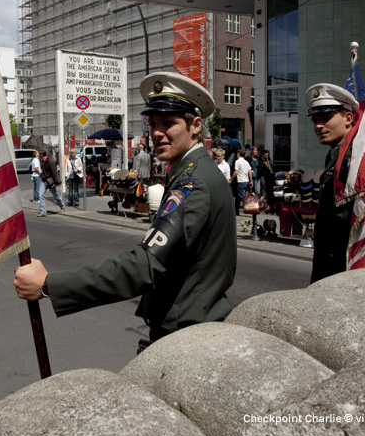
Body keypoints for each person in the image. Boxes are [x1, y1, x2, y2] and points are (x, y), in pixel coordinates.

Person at [14, 72, 236, 352]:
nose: (157, 132)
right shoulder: (194, 172)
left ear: (195, 125)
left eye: (169, 123)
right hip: (193, 326)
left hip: (185, 336)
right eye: (153, 123)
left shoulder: (194, 182)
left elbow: (144, 265)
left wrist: (50, 286)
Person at [306, 83, 359, 283]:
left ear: (348, 118)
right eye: (315, 120)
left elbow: (343, 223)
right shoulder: (336, 155)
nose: (318, 126)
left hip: (338, 268)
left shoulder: (352, 159)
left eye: (326, 118)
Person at [37, 149, 66, 216]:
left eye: (39, 154)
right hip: (44, 180)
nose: (38, 155)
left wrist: (56, 183)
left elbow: (54, 172)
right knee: (41, 195)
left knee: (55, 194)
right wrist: (42, 175)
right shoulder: (42, 161)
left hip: (50, 181)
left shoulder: (50, 162)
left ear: (42, 155)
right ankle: (43, 211)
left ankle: (62, 206)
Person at [234, 149, 252, 215]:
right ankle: (236, 211)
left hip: (240, 181)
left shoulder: (237, 161)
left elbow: (236, 172)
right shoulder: (246, 162)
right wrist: (251, 180)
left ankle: (251, 207)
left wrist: (231, 178)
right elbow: (250, 171)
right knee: (237, 197)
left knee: (242, 197)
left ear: (239, 154)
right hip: (246, 181)